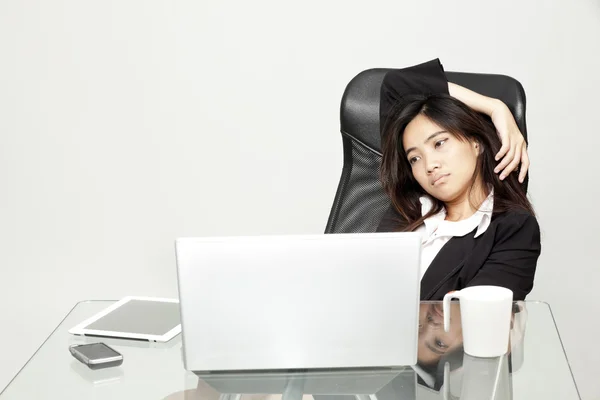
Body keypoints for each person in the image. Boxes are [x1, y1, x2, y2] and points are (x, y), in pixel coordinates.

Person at [376, 59, 541, 301]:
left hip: (428, 339)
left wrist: (497, 111)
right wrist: (495, 106)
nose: (429, 165)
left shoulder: (512, 229)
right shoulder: (408, 208)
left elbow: (471, 321)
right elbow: (396, 85)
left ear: (476, 142)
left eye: (439, 143)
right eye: (414, 158)